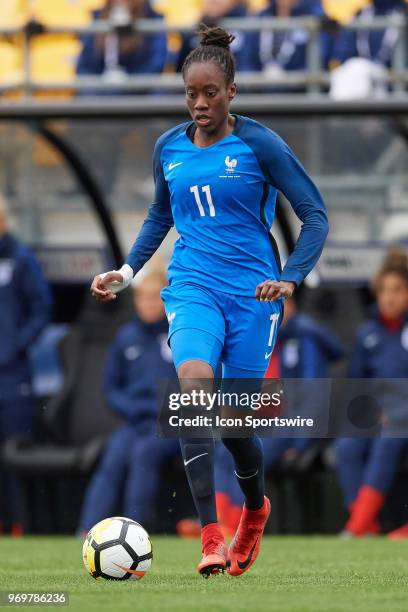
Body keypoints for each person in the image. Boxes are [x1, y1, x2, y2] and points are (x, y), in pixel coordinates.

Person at [90, 25, 328, 577]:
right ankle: (210, 536)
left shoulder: (260, 144)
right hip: (192, 284)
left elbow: (314, 215)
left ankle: (254, 509)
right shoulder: (168, 148)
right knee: (193, 389)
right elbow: (160, 214)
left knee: (234, 427)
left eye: (211, 93)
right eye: (191, 94)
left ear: (232, 93)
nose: (200, 103)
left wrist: (291, 277)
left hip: (254, 294)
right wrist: (127, 270)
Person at [215, 296, 344, 536]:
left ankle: (233, 525)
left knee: (240, 454)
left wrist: (300, 444)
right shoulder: (263, 339)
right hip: (264, 422)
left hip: (290, 427)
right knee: (223, 449)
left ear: (287, 307)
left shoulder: (305, 339)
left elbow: (312, 399)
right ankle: (220, 519)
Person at [79, 270, 179, 533]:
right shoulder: (127, 337)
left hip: (171, 424)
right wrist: (133, 408)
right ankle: (87, 530)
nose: (148, 304)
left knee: (142, 456)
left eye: (154, 298)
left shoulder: (179, 333)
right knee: (112, 458)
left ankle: (136, 530)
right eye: (143, 298)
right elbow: (111, 388)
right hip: (136, 422)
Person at [336, 248, 408, 538]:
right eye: (384, 290)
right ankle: (367, 525)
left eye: (398, 290)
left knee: (388, 441)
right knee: (346, 446)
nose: (390, 297)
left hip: (401, 419)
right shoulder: (368, 334)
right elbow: (357, 385)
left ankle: (356, 526)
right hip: (380, 417)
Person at [0, 195, 51, 535]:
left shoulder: (20, 259)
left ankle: (20, 523)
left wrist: (14, 347)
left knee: (14, 451)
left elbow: (41, 308)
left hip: (12, 376)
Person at [76, 0, 167, 82]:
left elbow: (154, 66)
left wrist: (128, 82)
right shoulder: (98, 19)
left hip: (141, 93)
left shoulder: (153, 20)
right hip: (101, 93)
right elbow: (85, 67)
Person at [243, 0, 333, 82]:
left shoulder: (312, 16)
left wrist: (289, 79)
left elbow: (318, 59)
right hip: (261, 88)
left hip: (297, 90)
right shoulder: (261, 17)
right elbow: (247, 59)